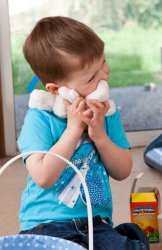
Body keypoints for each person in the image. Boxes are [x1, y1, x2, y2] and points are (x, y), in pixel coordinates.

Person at [18, 16, 149, 250]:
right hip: (46, 225)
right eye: (92, 77)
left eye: (104, 63)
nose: (105, 76)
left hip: (96, 224)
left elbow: (122, 171)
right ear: (59, 90)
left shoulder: (106, 114)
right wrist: (74, 128)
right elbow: (43, 177)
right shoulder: (39, 119)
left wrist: (99, 134)